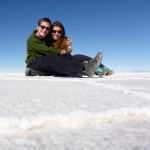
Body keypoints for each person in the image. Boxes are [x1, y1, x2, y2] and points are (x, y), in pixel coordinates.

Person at [25, 18, 103, 78]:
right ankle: (84, 68)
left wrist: (68, 47)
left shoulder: (46, 36)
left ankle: (95, 67)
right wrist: (60, 51)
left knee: (67, 56)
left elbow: (61, 37)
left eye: (47, 28)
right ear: (37, 26)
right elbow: (47, 50)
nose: (45, 30)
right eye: (42, 27)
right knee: (53, 57)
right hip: (35, 63)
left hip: (44, 63)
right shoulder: (32, 40)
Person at [49, 21, 114, 76]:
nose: (56, 33)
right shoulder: (48, 40)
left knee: (79, 56)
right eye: (54, 31)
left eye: (59, 32)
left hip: (66, 58)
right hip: (59, 64)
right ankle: (97, 71)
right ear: (51, 31)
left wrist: (69, 47)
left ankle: (102, 67)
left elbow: (68, 51)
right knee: (74, 62)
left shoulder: (64, 40)